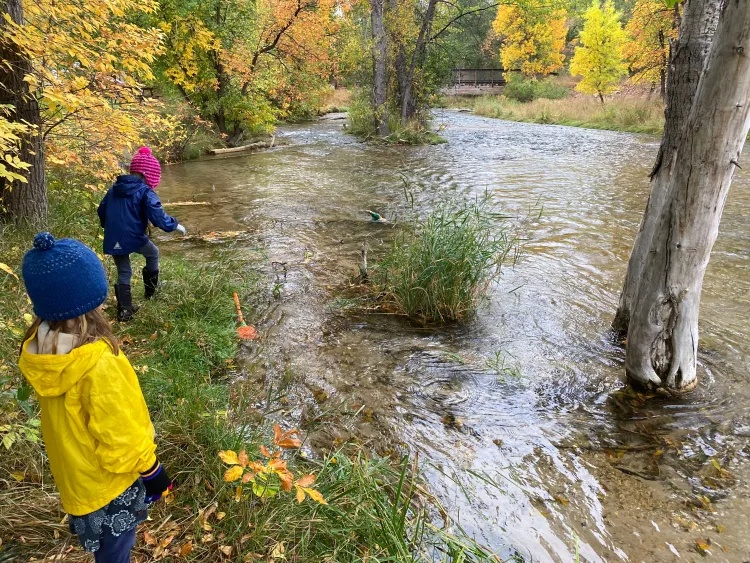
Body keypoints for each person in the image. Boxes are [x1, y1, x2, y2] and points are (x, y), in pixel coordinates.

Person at [18, 232, 173, 563]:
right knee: (116, 552)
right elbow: (120, 432)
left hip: (77, 481)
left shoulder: (41, 347)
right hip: (110, 484)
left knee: (104, 549)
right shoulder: (98, 361)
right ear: (90, 299)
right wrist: (152, 470)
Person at [98, 146, 186, 321]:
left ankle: (125, 311)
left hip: (113, 237)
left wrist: (108, 226)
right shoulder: (145, 192)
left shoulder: (114, 189)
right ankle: (151, 292)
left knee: (124, 271)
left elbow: (101, 210)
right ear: (149, 175)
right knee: (153, 253)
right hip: (134, 237)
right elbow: (158, 216)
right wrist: (175, 226)